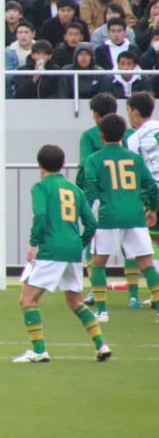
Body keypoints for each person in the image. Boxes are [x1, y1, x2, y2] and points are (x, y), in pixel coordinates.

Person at [13, 144, 110, 363]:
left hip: (51, 250)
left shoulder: (41, 187)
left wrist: (33, 243)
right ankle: (101, 345)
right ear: (63, 164)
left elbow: (40, 215)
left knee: (27, 300)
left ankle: (39, 352)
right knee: (75, 301)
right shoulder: (74, 189)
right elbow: (92, 222)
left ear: (39, 165)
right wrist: (80, 243)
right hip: (73, 251)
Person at [83, 113, 159, 324]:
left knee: (98, 262)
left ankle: (102, 311)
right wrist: (151, 209)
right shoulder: (134, 158)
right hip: (135, 215)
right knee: (146, 263)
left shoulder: (94, 159)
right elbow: (151, 186)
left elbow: (90, 189)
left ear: (101, 135)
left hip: (109, 216)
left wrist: (86, 215)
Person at [125, 90, 159, 309]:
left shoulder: (135, 138)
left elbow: (140, 173)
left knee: (153, 241)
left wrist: (148, 205)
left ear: (135, 112)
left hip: (155, 191)